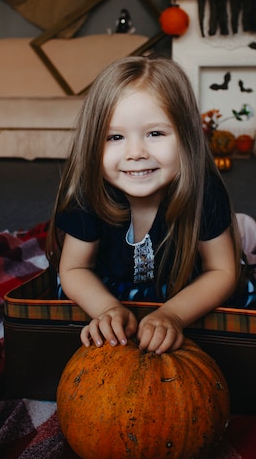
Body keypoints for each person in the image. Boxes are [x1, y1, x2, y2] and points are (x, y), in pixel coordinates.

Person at [47, 55, 244, 356]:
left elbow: (221, 270)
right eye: (114, 137)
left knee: (240, 295)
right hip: (108, 288)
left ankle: (244, 231)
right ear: (93, 144)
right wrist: (106, 308)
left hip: (183, 290)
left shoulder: (203, 190)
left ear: (186, 138)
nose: (136, 152)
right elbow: (74, 267)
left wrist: (173, 315)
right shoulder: (89, 190)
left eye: (155, 133)